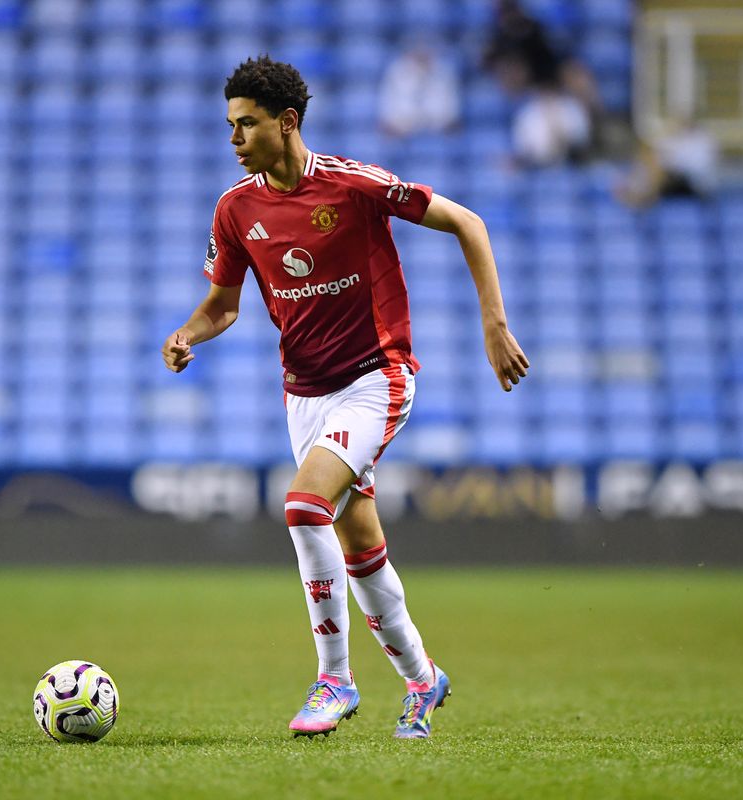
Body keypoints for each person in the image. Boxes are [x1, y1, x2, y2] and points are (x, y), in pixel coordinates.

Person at [161, 56, 529, 740]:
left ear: (287, 122)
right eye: (229, 126)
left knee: (304, 506)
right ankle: (424, 679)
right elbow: (223, 305)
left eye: (247, 124)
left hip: (375, 377)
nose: (234, 138)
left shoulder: (354, 185)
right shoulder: (236, 209)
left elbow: (469, 224)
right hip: (304, 395)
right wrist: (189, 333)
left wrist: (494, 324)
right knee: (360, 545)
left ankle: (335, 679)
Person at [377, 44, 461, 138]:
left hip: (437, 128)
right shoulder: (396, 72)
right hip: (403, 128)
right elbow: (387, 108)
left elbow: (451, 114)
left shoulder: (444, 73)